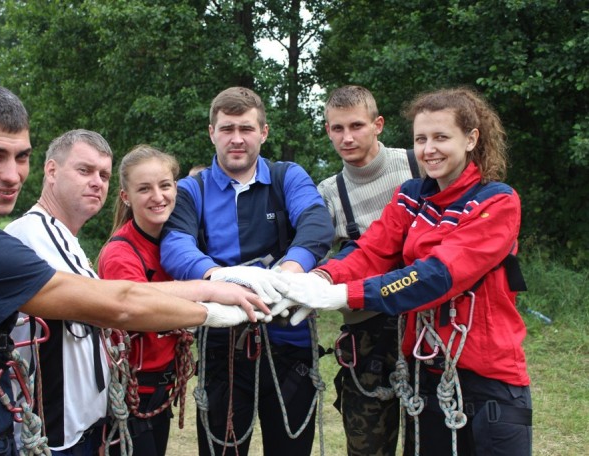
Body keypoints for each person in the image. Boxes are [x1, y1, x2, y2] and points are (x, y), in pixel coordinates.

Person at [0, 82, 279, 456]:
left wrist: (209, 288)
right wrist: (216, 308)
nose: (12, 174)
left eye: (21, 157)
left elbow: (111, 293)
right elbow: (120, 304)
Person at [278, 87, 532, 455]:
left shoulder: (496, 201)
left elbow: (439, 274)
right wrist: (320, 277)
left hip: (487, 379)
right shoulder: (412, 196)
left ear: (471, 138)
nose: (429, 149)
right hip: (426, 373)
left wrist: (341, 294)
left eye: (441, 137)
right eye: (421, 139)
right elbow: (372, 250)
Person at [159, 86, 334, 455]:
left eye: (246, 128)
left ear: (263, 132)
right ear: (212, 133)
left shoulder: (287, 176)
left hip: (290, 340)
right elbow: (175, 244)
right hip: (224, 344)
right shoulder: (193, 189)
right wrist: (220, 278)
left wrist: (288, 272)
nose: (236, 139)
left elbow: (316, 222)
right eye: (226, 129)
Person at [316, 85, 419, 456]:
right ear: (327, 130)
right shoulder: (328, 192)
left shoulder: (418, 164)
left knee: (433, 440)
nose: (347, 137)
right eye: (337, 128)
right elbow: (310, 250)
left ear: (378, 125)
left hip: (425, 327)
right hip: (366, 336)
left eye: (356, 126)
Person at [4, 129, 115, 455]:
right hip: (54, 436)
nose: (97, 182)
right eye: (85, 170)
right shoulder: (34, 233)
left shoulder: (66, 240)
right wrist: (210, 301)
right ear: (51, 171)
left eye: (104, 175)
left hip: (83, 429)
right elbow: (115, 304)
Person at [97, 145, 190, 455]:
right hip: (132, 392)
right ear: (126, 196)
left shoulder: (178, 243)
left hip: (160, 388)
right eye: (144, 189)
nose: (158, 196)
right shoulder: (121, 253)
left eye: (165, 185)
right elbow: (140, 311)